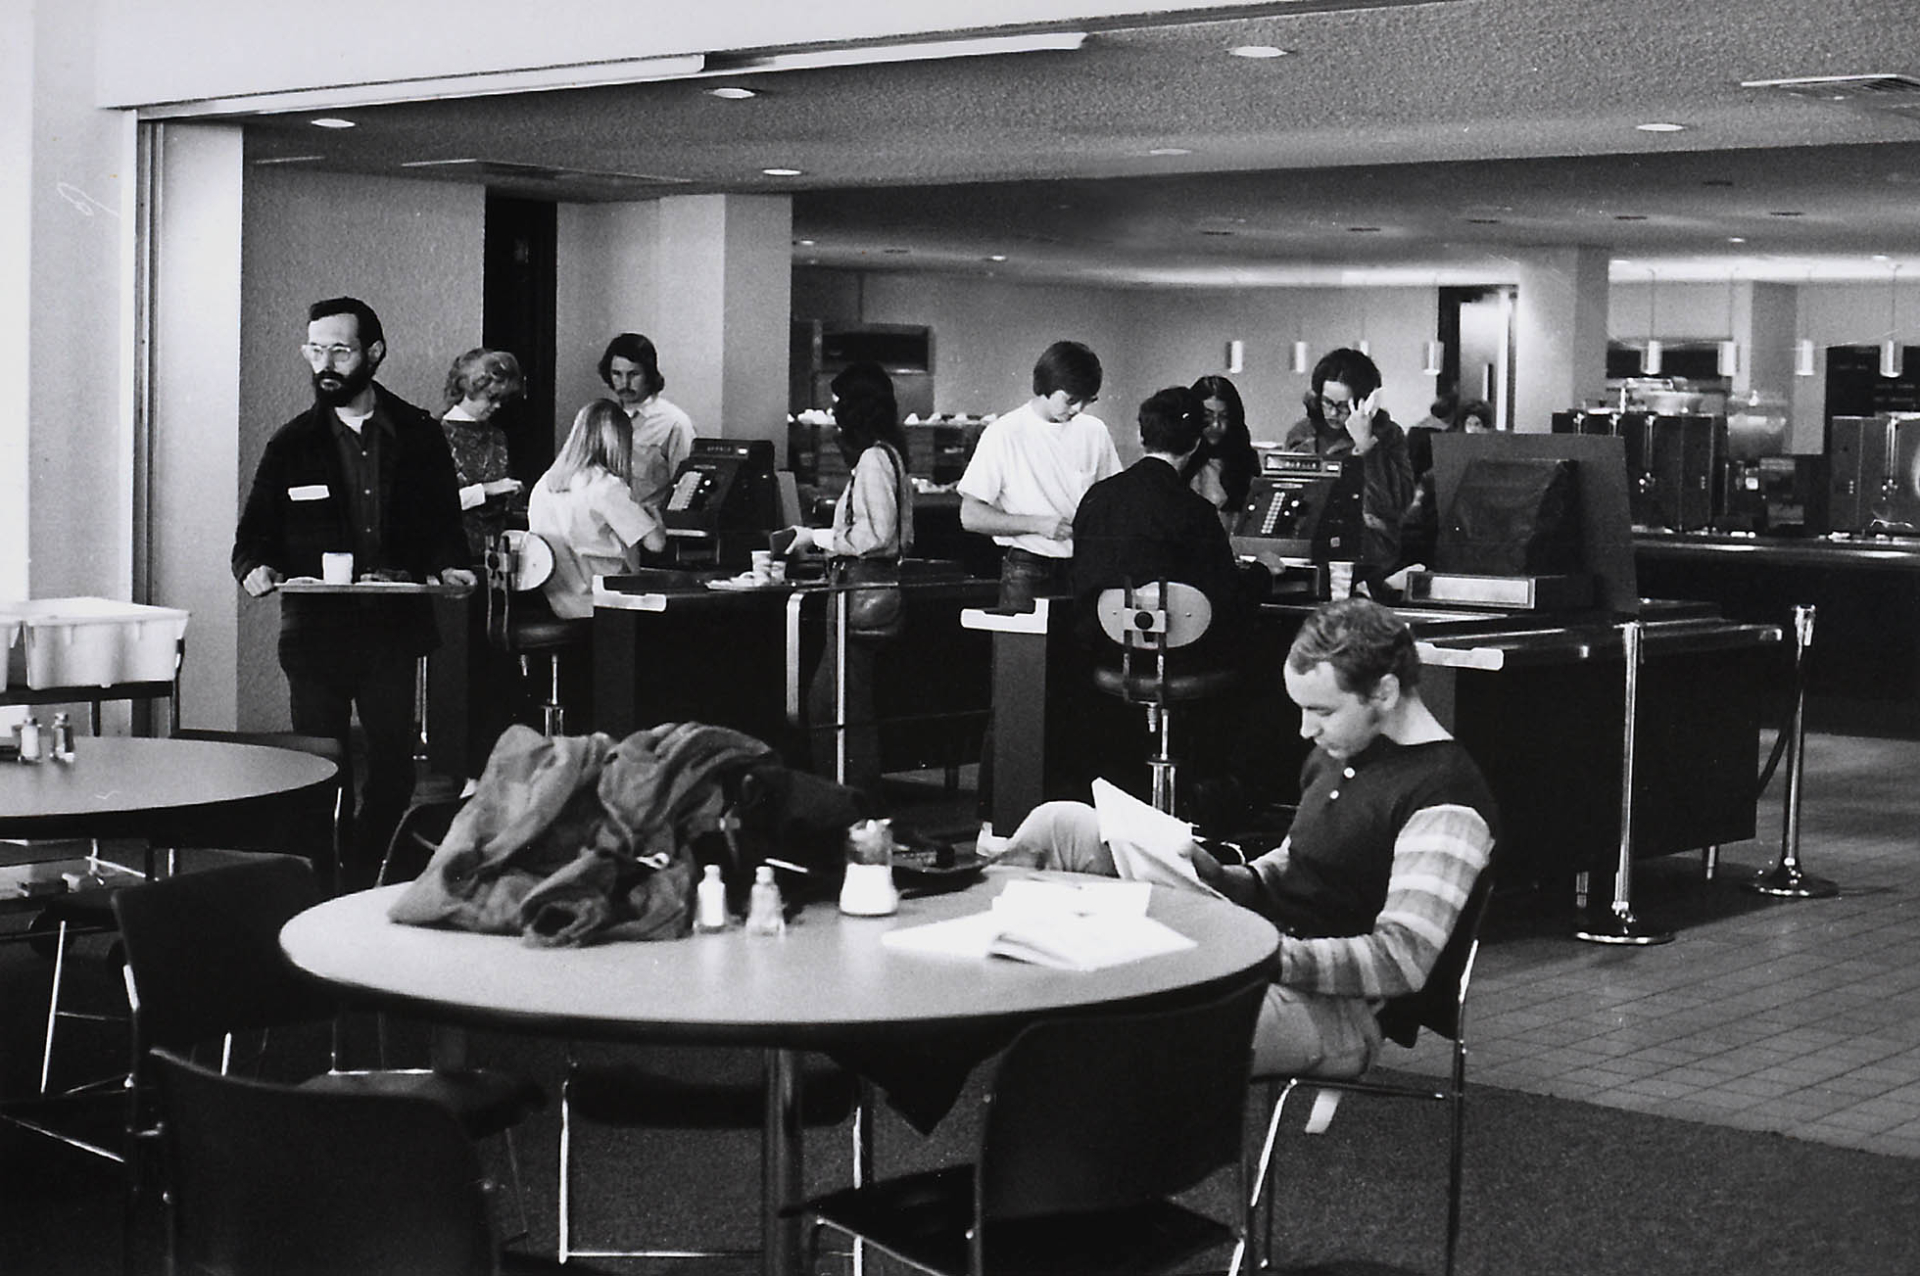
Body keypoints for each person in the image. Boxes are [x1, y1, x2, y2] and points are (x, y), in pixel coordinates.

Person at [999, 597, 1498, 1078]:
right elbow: (1298, 862)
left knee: (1134, 1030)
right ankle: (992, 987)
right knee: (1061, 824)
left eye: (1322, 712)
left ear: (1385, 693)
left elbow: (1399, 961)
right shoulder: (1346, 751)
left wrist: (1251, 953)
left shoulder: (1444, 800)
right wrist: (1227, 878)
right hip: (1264, 944)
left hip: (1335, 1007)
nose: (1306, 730)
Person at [233, 296, 476, 885]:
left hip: (390, 630)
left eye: (339, 350)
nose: (326, 363)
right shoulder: (292, 443)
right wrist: (255, 570)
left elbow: (444, 525)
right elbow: (253, 537)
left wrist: (450, 567)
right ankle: (326, 874)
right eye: (315, 349)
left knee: (393, 765)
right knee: (320, 762)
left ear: (374, 353)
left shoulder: (417, 434)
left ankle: (366, 864)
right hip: (315, 632)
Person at [776, 362, 915, 800]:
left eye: (838, 402)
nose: (833, 411)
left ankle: (842, 800)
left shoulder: (873, 459)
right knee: (846, 700)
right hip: (870, 591)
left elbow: (877, 535)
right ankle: (853, 796)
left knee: (832, 702)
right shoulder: (890, 453)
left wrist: (813, 537)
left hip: (858, 591)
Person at [1072, 385, 1261, 661]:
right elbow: (1229, 598)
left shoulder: (1097, 497)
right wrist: (1263, 571)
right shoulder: (1197, 511)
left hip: (1104, 653)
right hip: (1182, 657)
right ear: (1197, 442)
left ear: (1140, 436)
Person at [956, 340, 1121, 611]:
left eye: (1087, 400)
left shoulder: (1095, 431)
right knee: (1022, 652)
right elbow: (971, 516)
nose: (1078, 409)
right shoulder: (1004, 432)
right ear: (1046, 386)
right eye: (1071, 399)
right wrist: (1036, 524)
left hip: (1085, 565)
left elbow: (1112, 499)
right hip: (1027, 568)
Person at [528, 399, 668, 620]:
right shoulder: (606, 485)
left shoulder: (545, 484)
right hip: (604, 603)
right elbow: (656, 544)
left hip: (558, 601)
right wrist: (655, 517)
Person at [1284, 348, 1415, 581]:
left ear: (1365, 402)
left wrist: (1365, 447)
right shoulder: (1302, 434)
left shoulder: (1388, 435)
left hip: (1368, 554)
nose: (1333, 413)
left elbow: (1394, 504)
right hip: (1309, 550)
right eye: (1327, 403)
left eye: (1343, 406)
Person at [440, 347, 526, 560]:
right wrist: (485, 491)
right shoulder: (436, 435)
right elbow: (434, 504)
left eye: (502, 399)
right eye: (491, 397)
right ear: (470, 387)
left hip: (496, 556)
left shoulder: (497, 437)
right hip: (453, 557)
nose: (497, 406)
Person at [598, 333, 695, 518]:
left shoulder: (674, 423)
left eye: (633, 374)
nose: (624, 383)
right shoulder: (603, 420)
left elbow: (685, 490)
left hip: (651, 531)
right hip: (607, 530)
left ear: (649, 374)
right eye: (617, 374)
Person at [1185, 374, 1259, 528]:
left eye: (1224, 417)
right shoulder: (1180, 459)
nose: (1216, 426)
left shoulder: (1245, 460)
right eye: (1207, 417)